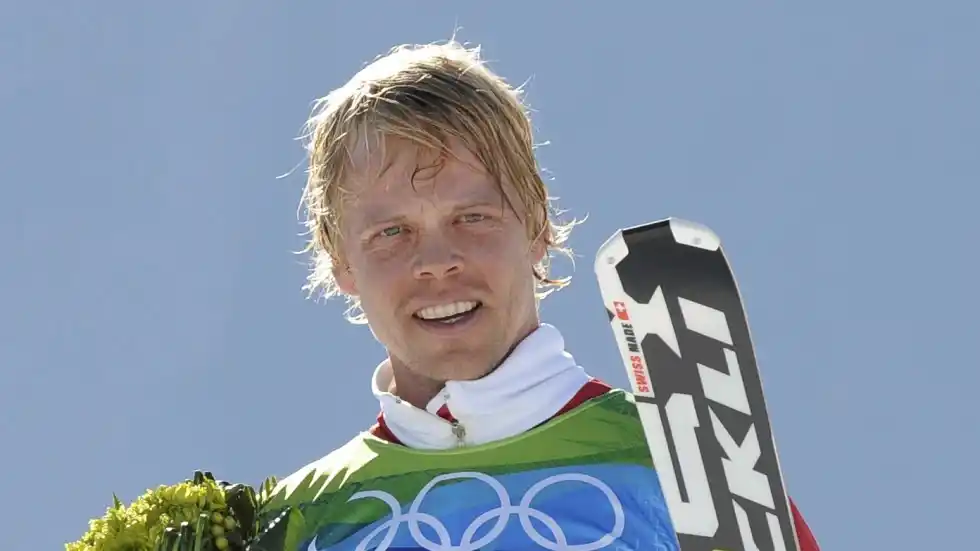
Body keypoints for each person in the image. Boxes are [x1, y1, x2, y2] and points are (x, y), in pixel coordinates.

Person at [255, 40, 821, 551]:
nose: (435, 262)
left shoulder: (683, 464)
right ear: (341, 262)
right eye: (392, 232)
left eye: (472, 217)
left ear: (538, 227)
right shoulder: (296, 519)